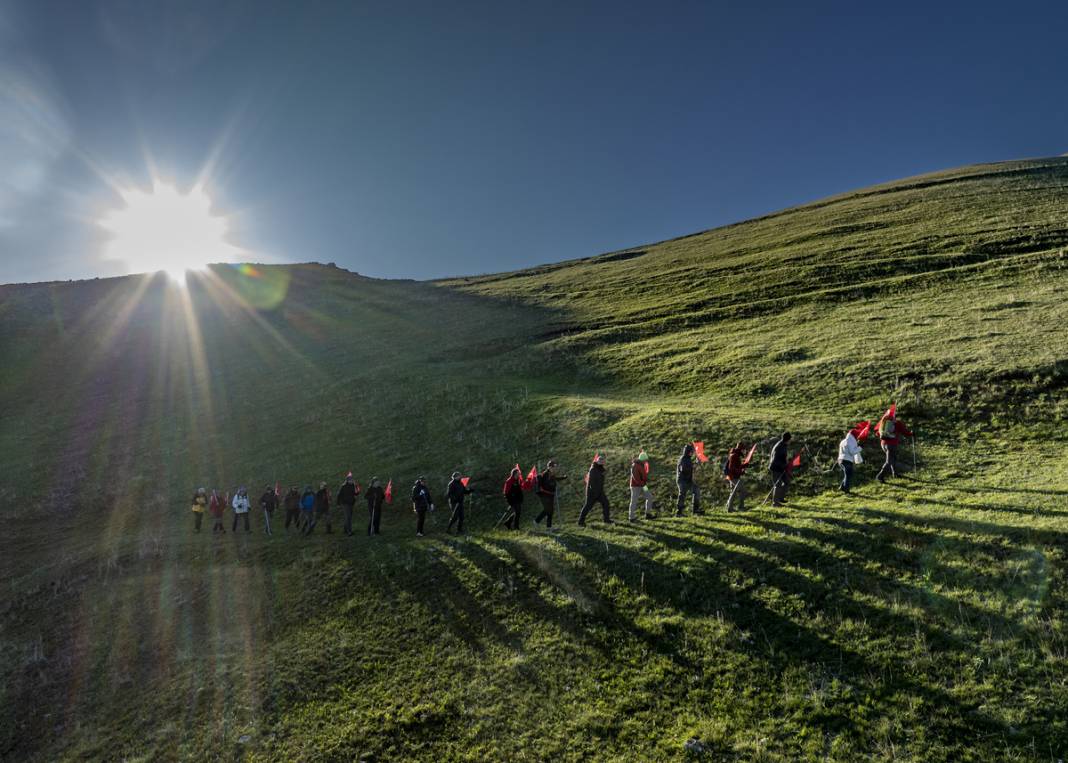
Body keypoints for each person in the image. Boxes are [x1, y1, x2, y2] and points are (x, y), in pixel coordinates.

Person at [577, 455, 612, 527]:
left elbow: (600, 480)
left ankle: (606, 519)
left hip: (599, 492)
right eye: (600, 460)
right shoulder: (593, 469)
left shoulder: (601, 469)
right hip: (592, 492)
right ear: (597, 461)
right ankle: (580, 521)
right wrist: (595, 493)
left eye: (602, 461)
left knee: (606, 504)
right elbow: (591, 483)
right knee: (587, 507)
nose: (601, 462)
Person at [876, 413, 912, 482]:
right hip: (891, 445)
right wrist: (911, 434)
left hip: (884, 444)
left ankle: (895, 473)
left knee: (893, 458)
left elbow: (878, 433)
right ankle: (880, 476)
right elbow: (904, 431)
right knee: (889, 461)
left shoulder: (884, 422)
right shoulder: (897, 423)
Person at [534, 460, 564, 529]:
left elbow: (555, 479)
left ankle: (548, 526)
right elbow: (546, 484)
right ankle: (536, 521)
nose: (554, 468)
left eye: (555, 467)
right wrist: (551, 486)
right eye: (553, 467)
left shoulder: (551, 474)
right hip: (545, 495)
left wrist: (563, 477)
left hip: (550, 495)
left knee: (550, 510)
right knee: (548, 510)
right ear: (550, 467)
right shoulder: (545, 474)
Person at [628, 452, 656, 521]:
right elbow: (636, 478)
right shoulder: (635, 466)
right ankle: (631, 517)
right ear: (642, 459)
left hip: (643, 485)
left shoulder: (642, 464)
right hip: (635, 486)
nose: (646, 461)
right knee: (634, 501)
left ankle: (648, 514)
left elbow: (643, 475)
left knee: (649, 497)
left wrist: (646, 480)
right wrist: (643, 483)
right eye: (645, 459)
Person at [675, 444, 702, 516]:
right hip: (682, 480)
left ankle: (695, 510)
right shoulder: (683, 459)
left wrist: (695, 464)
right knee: (682, 495)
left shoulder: (687, 458)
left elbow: (690, 467)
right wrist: (694, 465)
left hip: (688, 480)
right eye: (691, 452)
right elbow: (683, 469)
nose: (692, 453)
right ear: (688, 452)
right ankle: (679, 512)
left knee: (696, 491)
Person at [769, 432, 792, 507]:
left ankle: (780, 498)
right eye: (790, 439)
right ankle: (775, 503)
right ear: (788, 439)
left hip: (782, 468)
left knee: (787, 481)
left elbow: (783, 457)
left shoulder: (783, 445)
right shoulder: (779, 446)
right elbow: (775, 460)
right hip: (776, 468)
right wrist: (784, 465)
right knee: (777, 485)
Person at [837, 428, 863, 493]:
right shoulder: (851, 441)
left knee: (847, 475)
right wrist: (860, 448)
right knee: (848, 475)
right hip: (847, 460)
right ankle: (846, 490)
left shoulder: (844, 441)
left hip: (840, 460)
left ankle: (842, 487)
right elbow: (852, 452)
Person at [724, 444, 747, 512]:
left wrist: (744, 465)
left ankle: (729, 507)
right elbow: (732, 468)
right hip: (734, 477)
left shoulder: (734, 454)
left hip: (732, 476)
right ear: (741, 449)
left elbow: (736, 466)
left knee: (733, 492)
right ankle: (740, 507)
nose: (744, 451)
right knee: (743, 491)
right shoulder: (734, 456)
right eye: (743, 449)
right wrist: (741, 472)